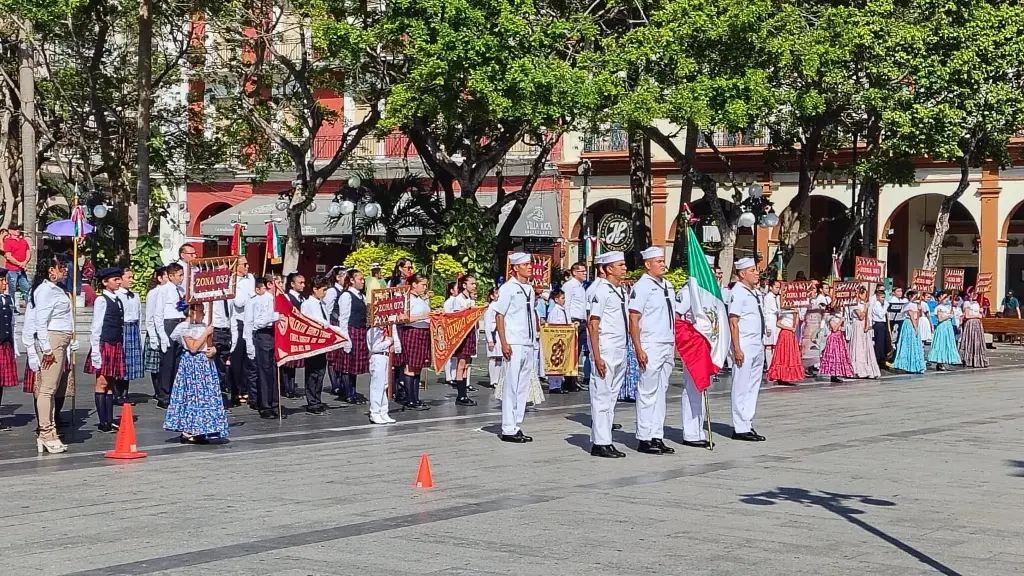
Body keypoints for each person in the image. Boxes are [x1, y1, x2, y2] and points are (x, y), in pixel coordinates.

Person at [627, 246, 677, 455]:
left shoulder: (667, 285)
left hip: (667, 343)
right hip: (651, 343)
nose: (663, 264)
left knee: (661, 391)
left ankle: (657, 434)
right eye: (658, 261)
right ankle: (644, 437)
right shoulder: (643, 286)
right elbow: (634, 318)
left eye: (663, 261)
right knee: (647, 391)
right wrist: (638, 347)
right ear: (648, 265)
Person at [165, 303, 229, 444]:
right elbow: (193, 347)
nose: (204, 314)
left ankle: (203, 427)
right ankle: (189, 429)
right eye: (201, 311)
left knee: (206, 396)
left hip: (205, 364)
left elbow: (212, 345)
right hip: (193, 365)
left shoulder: (204, 325)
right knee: (192, 396)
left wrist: (213, 350)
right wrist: (206, 333)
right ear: (193, 312)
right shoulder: (184, 327)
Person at [30, 254, 75, 453]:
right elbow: (40, 321)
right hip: (53, 339)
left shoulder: (57, 289)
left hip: (62, 340)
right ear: (51, 270)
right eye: (62, 267)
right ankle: (45, 431)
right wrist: (46, 348)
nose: (65, 270)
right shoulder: (45, 290)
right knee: (47, 389)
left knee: (54, 388)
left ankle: (51, 430)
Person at [587, 251, 629, 458]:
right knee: (601, 395)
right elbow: (593, 324)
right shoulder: (600, 290)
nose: (624, 268)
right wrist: (596, 356)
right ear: (608, 268)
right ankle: (600, 442)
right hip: (605, 349)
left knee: (611, 397)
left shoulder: (620, 291)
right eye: (620, 265)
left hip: (619, 348)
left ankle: (607, 439)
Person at [494, 253, 538, 443]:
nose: (530, 267)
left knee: (523, 386)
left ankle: (516, 424)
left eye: (530, 264)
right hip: (514, 341)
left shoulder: (529, 288)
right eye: (526, 264)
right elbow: (499, 315)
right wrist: (504, 342)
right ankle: (508, 427)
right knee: (511, 385)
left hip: (528, 341)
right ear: (516, 268)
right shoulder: (508, 288)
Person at [727, 257, 766, 442]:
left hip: (757, 344)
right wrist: (737, 348)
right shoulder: (738, 292)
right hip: (744, 345)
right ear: (742, 274)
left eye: (756, 269)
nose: (756, 273)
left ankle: (747, 422)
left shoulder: (754, 292)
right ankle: (740, 427)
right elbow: (733, 322)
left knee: (753, 386)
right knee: (741, 386)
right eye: (752, 270)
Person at [85, 268, 126, 433]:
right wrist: (95, 350)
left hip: (115, 342)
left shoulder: (118, 299)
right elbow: (96, 326)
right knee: (101, 382)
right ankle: (103, 422)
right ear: (104, 282)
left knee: (111, 382)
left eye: (118, 279)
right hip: (104, 343)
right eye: (114, 279)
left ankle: (109, 419)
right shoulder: (101, 300)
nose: (118, 281)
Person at [245, 275, 283, 419]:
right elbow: (255, 323)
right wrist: (274, 317)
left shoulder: (276, 300)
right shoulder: (259, 300)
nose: (280, 286)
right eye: (277, 283)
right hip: (263, 335)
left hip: (274, 335)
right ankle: (265, 405)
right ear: (268, 285)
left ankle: (274, 403)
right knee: (264, 371)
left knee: (274, 371)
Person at [300, 275, 337, 414]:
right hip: (312, 343)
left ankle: (318, 398)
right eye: (323, 290)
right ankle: (312, 401)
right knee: (312, 373)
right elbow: (306, 322)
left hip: (322, 343)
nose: (325, 293)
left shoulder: (322, 304)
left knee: (320, 372)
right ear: (315, 289)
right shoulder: (307, 304)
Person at [153, 262, 186, 409]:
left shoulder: (180, 289)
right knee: (167, 362)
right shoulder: (164, 290)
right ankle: (164, 395)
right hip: (169, 323)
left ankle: (175, 393)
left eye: (182, 275)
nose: (181, 278)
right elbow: (158, 313)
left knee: (178, 361)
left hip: (180, 322)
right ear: (171, 276)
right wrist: (161, 334)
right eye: (179, 275)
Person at [397, 273, 432, 411]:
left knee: (418, 367)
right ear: (414, 284)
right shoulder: (406, 299)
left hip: (423, 332)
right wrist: (423, 316)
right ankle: (410, 399)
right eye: (422, 285)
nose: (424, 287)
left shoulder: (421, 299)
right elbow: (402, 318)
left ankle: (416, 398)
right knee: (410, 367)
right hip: (412, 331)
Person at [334, 269, 370, 405]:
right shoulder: (346, 296)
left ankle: (353, 392)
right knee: (347, 365)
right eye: (360, 279)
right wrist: (346, 339)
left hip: (360, 331)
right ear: (352, 281)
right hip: (351, 330)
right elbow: (343, 319)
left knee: (354, 366)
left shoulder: (362, 296)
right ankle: (348, 393)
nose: (362, 282)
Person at [228, 257, 257, 407]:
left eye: (247, 263)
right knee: (237, 360)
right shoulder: (232, 280)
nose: (247, 266)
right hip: (237, 322)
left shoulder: (250, 278)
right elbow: (238, 302)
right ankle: (236, 390)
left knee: (249, 359)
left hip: (250, 321)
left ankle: (247, 389)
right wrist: (252, 294)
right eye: (244, 264)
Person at [450, 274, 480, 406]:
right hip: (462, 333)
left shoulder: (471, 300)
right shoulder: (458, 299)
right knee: (461, 363)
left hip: (470, 332)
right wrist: (467, 311)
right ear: (464, 285)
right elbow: (456, 317)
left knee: (467, 363)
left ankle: (464, 393)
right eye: (472, 284)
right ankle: (460, 395)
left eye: (474, 284)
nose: (474, 286)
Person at [115, 268, 143, 405]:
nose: (132, 280)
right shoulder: (116, 295)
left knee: (129, 363)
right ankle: (117, 392)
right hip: (122, 328)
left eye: (132, 277)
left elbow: (139, 315)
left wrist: (139, 330)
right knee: (121, 360)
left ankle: (125, 392)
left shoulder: (135, 296)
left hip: (133, 328)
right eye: (129, 277)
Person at [561, 263, 588, 392]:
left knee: (578, 353)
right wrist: (568, 323)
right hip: (573, 321)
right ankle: (568, 381)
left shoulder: (581, 287)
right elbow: (567, 305)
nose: (585, 273)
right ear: (574, 272)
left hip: (581, 321)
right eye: (582, 271)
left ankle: (574, 379)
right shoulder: (569, 286)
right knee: (572, 352)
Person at [279, 273, 306, 399]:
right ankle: (286, 388)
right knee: (287, 362)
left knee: (294, 362)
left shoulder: (303, 299)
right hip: (289, 332)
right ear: (292, 284)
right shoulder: (287, 297)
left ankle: (291, 387)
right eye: (300, 283)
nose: (303, 285)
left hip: (298, 332)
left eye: (304, 283)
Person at [366, 321, 398, 424]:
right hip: (377, 357)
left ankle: (383, 412)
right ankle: (375, 412)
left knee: (384, 386)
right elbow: (375, 347)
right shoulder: (373, 330)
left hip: (385, 356)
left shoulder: (385, 330)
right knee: (377, 386)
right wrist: (389, 342)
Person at [143, 267, 168, 398]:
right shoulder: (154, 293)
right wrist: (153, 335)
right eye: (166, 276)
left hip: (167, 328)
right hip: (155, 330)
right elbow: (150, 316)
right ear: (160, 278)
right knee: (156, 365)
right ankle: (158, 391)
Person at [847, 286, 880, 379]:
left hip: (864, 326)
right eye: (864, 293)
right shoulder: (855, 303)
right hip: (857, 325)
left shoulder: (863, 303)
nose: (866, 295)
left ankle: (868, 369)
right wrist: (865, 308)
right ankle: (857, 369)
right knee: (858, 347)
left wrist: (868, 325)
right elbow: (861, 316)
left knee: (866, 347)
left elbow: (867, 317)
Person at [0, 275, 19, 431]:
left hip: (5, 343)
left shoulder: (7, 299)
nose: (5, 283)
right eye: (2, 280)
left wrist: (14, 343)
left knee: (0, 384)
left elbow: (12, 323)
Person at [818, 304, 855, 383]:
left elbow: (840, 328)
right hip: (834, 338)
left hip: (840, 337)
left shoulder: (839, 316)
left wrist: (842, 326)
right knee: (834, 356)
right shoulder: (831, 317)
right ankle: (833, 374)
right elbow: (834, 329)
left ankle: (837, 373)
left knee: (840, 356)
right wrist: (841, 321)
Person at [892, 290, 927, 374]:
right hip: (909, 324)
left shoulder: (916, 305)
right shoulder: (908, 305)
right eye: (915, 295)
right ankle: (908, 365)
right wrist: (915, 328)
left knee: (915, 344)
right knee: (909, 343)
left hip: (915, 323)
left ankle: (916, 365)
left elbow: (918, 316)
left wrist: (920, 310)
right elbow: (911, 316)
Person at [766, 309, 804, 385]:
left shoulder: (795, 310)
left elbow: (796, 324)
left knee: (790, 355)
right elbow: (778, 323)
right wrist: (789, 328)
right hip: (784, 333)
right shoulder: (783, 310)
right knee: (783, 354)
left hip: (791, 335)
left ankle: (787, 376)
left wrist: (796, 313)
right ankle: (780, 376)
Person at [927, 290, 961, 371]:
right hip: (942, 326)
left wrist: (951, 315)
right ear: (939, 298)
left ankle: (945, 360)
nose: (946, 299)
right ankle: (940, 362)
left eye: (947, 297)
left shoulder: (948, 307)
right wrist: (949, 316)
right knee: (941, 343)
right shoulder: (939, 307)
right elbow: (940, 318)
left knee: (947, 343)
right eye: (944, 297)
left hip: (948, 326)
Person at [545, 288, 569, 394]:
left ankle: (558, 383)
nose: (564, 300)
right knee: (555, 361)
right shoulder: (554, 311)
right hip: (556, 339)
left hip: (563, 339)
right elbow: (552, 326)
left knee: (561, 361)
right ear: (556, 299)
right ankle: (554, 385)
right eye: (562, 298)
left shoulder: (563, 310)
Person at [3, 224, 31, 307]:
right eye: (15, 229)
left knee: (26, 288)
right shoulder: (8, 241)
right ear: (10, 231)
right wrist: (20, 264)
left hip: (21, 270)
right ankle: (12, 307)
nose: (18, 230)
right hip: (11, 270)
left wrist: (25, 262)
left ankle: (30, 307)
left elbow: (28, 252)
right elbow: (8, 256)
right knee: (12, 290)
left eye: (19, 229)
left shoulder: (24, 241)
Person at [959, 294, 989, 368]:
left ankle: (978, 359)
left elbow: (982, 316)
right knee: (970, 340)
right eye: (973, 293)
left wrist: (981, 312)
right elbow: (967, 316)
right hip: (971, 323)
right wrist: (977, 316)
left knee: (978, 341)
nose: (975, 295)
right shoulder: (967, 303)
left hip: (978, 324)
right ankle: (968, 359)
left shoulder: (977, 303)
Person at [484, 288, 503, 388]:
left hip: (500, 334)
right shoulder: (490, 308)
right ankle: (493, 380)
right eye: (496, 293)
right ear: (492, 296)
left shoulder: (500, 306)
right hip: (493, 333)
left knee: (499, 357)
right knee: (493, 357)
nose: (498, 295)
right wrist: (490, 339)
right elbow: (487, 325)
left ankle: (498, 379)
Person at [762, 280, 781, 367]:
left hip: (775, 320)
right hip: (770, 320)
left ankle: (773, 364)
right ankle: (769, 365)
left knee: (774, 343)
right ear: (771, 287)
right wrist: (767, 326)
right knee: (769, 343)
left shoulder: (776, 297)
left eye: (778, 287)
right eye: (776, 287)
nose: (778, 289)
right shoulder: (768, 297)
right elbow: (765, 311)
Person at [870, 287, 889, 367]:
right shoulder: (876, 305)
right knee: (879, 342)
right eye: (881, 297)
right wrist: (886, 307)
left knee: (883, 342)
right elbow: (881, 315)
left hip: (883, 324)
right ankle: (878, 358)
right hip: (878, 324)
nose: (883, 299)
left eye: (884, 297)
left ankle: (882, 357)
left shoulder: (882, 304)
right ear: (877, 297)